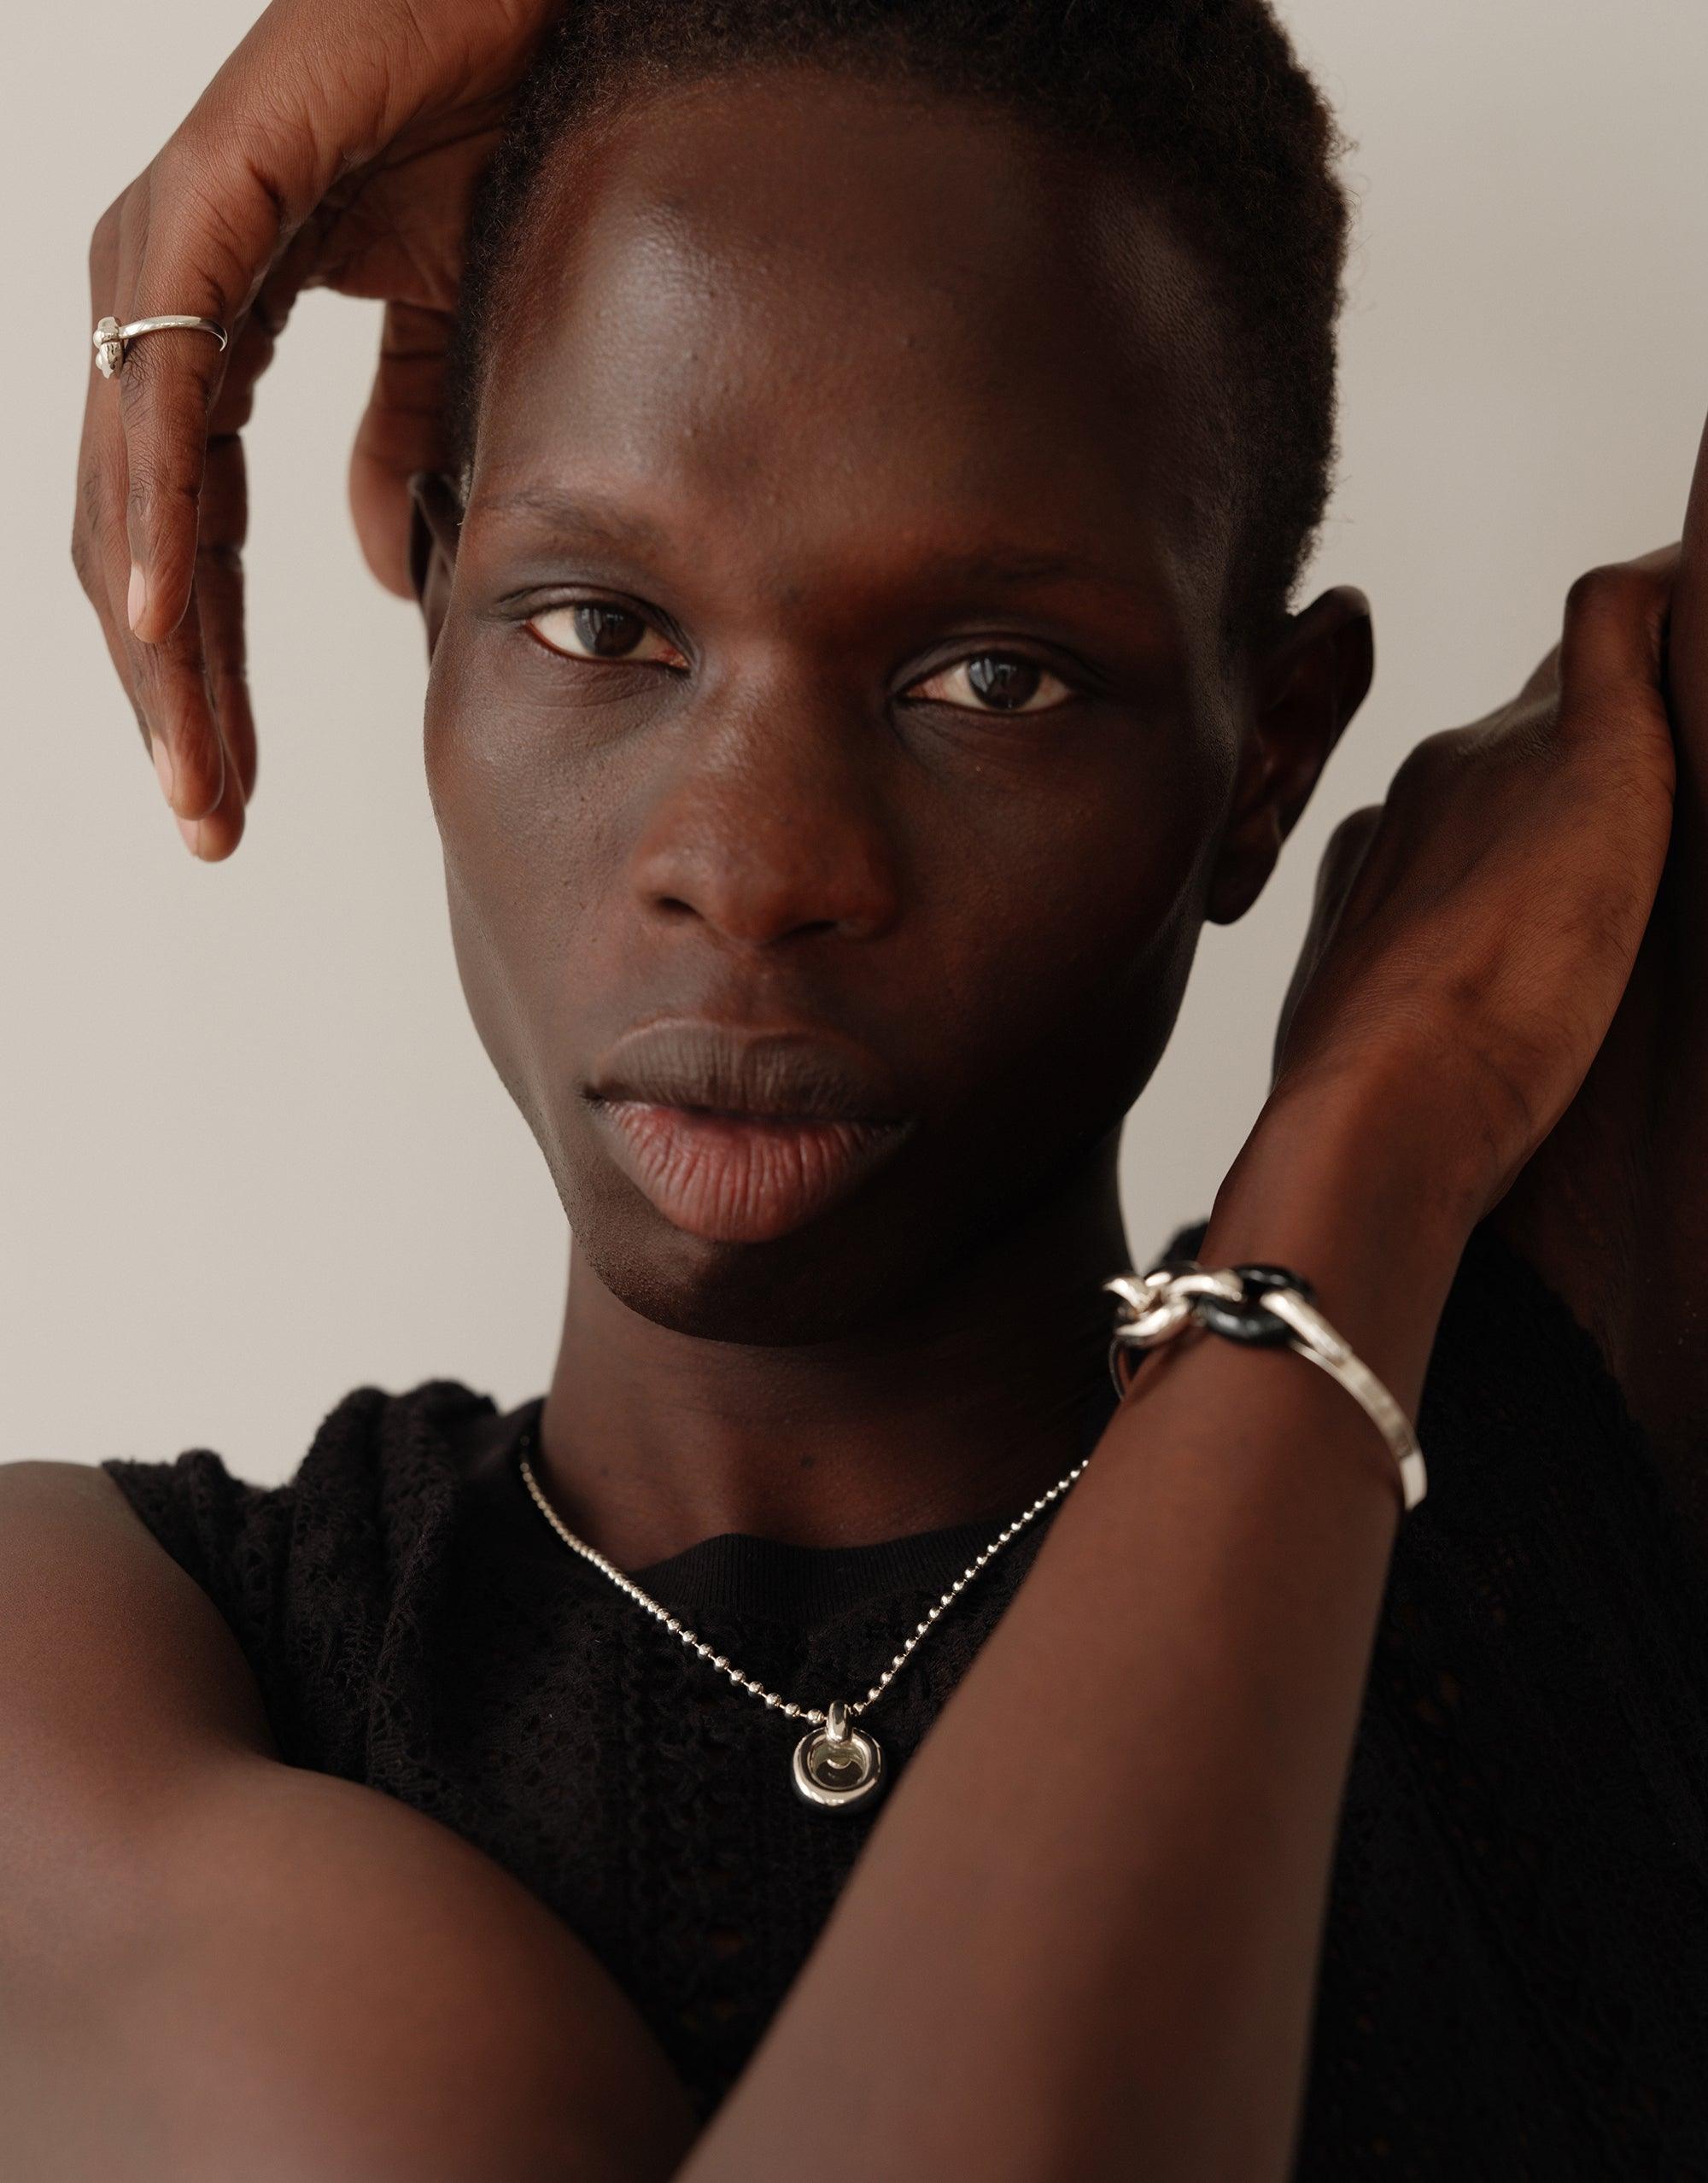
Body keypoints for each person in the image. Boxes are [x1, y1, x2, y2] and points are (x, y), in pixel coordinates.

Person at [20, 0, 1708, 2174]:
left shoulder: (1583, 1432)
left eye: (986, 677)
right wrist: (1364, 1164)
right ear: (433, 604)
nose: (748, 864)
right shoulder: (87, 1670)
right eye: (599, 624)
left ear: (1267, 759)